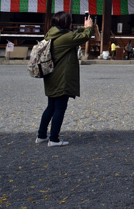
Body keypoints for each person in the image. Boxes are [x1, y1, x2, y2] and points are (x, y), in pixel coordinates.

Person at [36, 12, 94, 147]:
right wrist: (89, 27)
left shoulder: (52, 34)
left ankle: (41, 135)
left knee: (51, 106)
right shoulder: (65, 37)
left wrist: (83, 27)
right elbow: (83, 37)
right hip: (61, 78)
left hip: (51, 76)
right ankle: (54, 139)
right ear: (66, 23)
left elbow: (74, 36)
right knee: (60, 108)